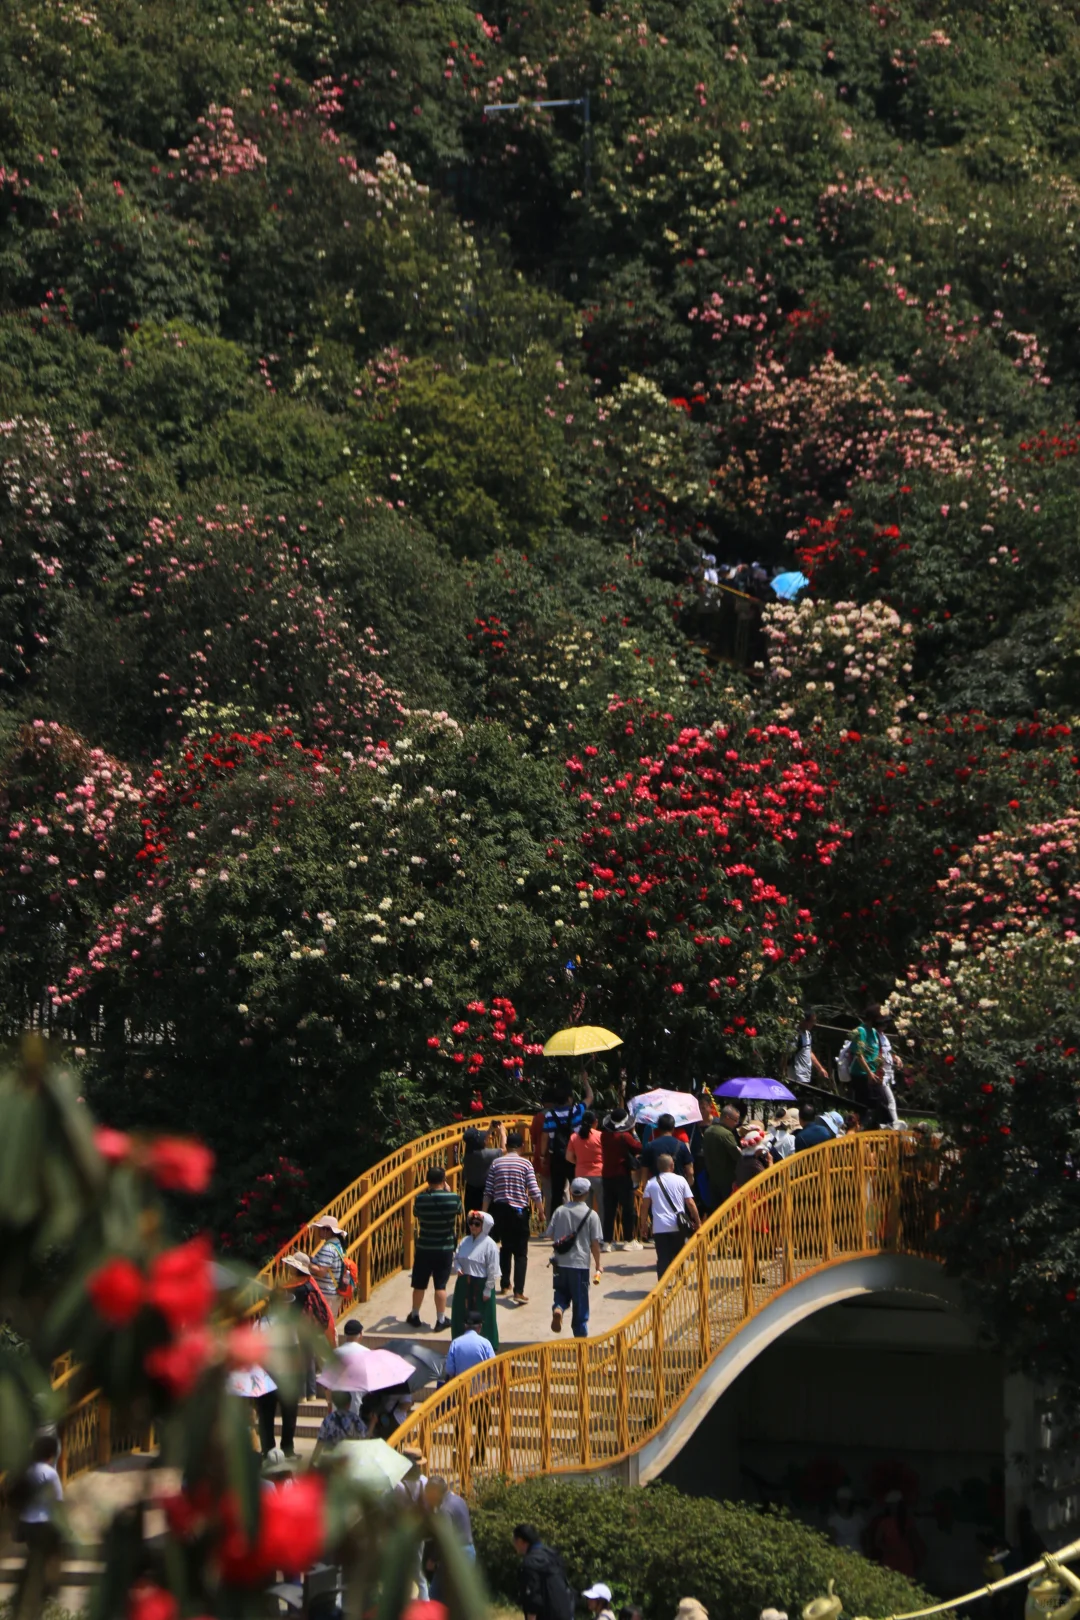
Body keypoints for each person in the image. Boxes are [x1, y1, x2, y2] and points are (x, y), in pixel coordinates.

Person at [484, 1131, 544, 1303]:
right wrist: (540, 1210)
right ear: (521, 1147)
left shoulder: (496, 1163)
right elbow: (533, 1189)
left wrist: (483, 1213)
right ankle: (518, 1291)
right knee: (520, 1253)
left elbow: (488, 1191)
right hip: (519, 1212)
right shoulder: (525, 1163)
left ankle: (504, 1284)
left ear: (507, 1146)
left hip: (500, 1211)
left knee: (505, 1247)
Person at [407, 1165, 462, 1332]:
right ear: (444, 1180)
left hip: (424, 1247)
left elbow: (416, 1213)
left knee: (419, 1284)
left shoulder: (421, 1199)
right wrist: (448, 1191)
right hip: (444, 1248)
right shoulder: (453, 1198)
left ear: (427, 1181)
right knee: (440, 1285)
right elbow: (458, 1211)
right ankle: (440, 1319)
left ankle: (415, 1315)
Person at [548, 1177, 603, 1337]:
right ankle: (580, 1336)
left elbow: (550, 1234)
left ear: (571, 1192)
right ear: (587, 1193)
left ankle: (558, 1307)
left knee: (560, 1290)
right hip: (579, 1264)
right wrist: (598, 1264)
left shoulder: (559, 1211)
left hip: (560, 1262)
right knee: (580, 1301)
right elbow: (594, 1244)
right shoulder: (591, 1215)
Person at [16, 1431, 64, 1594]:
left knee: (34, 1555)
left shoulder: (27, 1471)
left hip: (28, 1522)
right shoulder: (50, 1473)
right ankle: (46, 1590)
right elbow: (58, 1500)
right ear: (52, 1455)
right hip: (44, 1522)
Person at [641, 1153, 701, 1277]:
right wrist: (698, 1221)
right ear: (672, 1165)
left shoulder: (651, 1183)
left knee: (663, 1258)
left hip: (659, 1226)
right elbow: (690, 1203)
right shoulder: (681, 1180)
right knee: (679, 1254)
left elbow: (645, 1206)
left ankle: (662, 1289)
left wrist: (644, 1226)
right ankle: (680, 1280)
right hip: (678, 1225)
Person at [543, 1076, 594, 1213]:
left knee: (557, 1193)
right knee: (578, 1190)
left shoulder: (549, 1115)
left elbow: (545, 1138)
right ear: (570, 1099)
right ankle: (580, 1218)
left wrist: (543, 1156)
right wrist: (585, 1081)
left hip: (557, 1157)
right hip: (574, 1157)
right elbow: (590, 1097)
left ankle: (555, 1224)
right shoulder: (577, 1110)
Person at [450, 1209, 500, 1347]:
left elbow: (492, 1269)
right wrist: (458, 1268)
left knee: (484, 1316)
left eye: (477, 1224)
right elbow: (457, 1257)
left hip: (481, 1283)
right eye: (471, 1223)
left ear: (483, 1226)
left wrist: (488, 1289)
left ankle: (488, 1345)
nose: (473, 1226)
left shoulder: (490, 1244)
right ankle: (458, 1343)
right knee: (460, 1314)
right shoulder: (465, 1241)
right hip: (464, 1282)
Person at [424, 1476, 476, 1598]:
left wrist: (433, 1559)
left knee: (435, 1595)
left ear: (435, 1492)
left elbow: (445, 1540)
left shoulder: (444, 1509)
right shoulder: (459, 1500)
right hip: (469, 1551)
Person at [514, 1523, 575, 1620]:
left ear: (520, 1541)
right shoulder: (553, 1555)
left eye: (515, 1541)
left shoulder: (530, 1562)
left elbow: (533, 1599)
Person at [600, 1107, 642, 1249]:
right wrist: (634, 1132)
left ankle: (607, 1242)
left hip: (607, 1175)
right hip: (622, 1176)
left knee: (609, 1209)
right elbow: (638, 1147)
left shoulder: (604, 1136)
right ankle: (628, 1240)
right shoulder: (625, 1137)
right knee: (627, 1209)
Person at [869, 1490, 924, 1577]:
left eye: (894, 1504)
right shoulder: (884, 1522)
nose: (892, 1507)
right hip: (890, 1560)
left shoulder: (907, 1521)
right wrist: (887, 1550)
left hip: (905, 1559)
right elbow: (877, 1541)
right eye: (890, 1505)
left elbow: (914, 1540)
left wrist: (919, 1557)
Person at [565, 1109, 604, 1211]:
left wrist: (578, 1162)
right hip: (599, 1174)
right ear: (595, 1122)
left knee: (584, 1208)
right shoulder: (600, 1136)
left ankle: (585, 1227)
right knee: (602, 1207)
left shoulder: (574, 1137)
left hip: (581, 1174)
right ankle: (600, 1227)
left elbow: (568, 1157)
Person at [702, 1104, 741, 1206]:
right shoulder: (726, 1134)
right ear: (727, 1118)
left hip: (712, 1178)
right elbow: (737, 1156)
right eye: (735, 1120)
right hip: (727, 1179)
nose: (736, 1123)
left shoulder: (708, 1130)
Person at [312, 1388, 367, 1460]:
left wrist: (312, 1463)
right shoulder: (356, 1420)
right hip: (349, 1460)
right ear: (349, 1404)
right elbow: (364, 1438)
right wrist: (373, 1423)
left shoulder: (328, 1420)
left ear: (334, 1403)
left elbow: (320, 1442)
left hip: (330, 1461)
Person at [639, 1114, 694, 1184]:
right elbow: (690, 1172)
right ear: (673, 1128)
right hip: (678, 1186)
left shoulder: (649, 1146)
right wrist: (687, 1186)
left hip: (657, 1187)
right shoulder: (681, 1146)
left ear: (658, 1128)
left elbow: (644, 1174)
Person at [443, 1309, 496, 1380]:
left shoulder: (455, 1343)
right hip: (481, 1389)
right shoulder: (485, 1343)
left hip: (461, 1389)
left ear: (465, 1326)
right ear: (480, 1327)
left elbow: (450, 1370)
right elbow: (492, 1367)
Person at [462, 1125, 504, 1213]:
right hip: (485, 1192)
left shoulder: (468, 1154)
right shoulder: (485, 1155)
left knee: (472, 1219)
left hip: (470, 1191)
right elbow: (505, 1149)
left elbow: (482, 1142)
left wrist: (490, 1130)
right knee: (485, 1219)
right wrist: (503, 1133)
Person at [309, 1213, 348, 1303]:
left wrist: (306, 1262)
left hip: (326, 1293)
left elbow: (321, 1272)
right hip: (333, 1292)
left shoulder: (328, 1248)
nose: (318, 1231)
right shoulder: (337, 1244)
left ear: (327, 1230)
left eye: (320, 1228)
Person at [873, 1010, 902, 1129]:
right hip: (881, 1073)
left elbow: (887, 1052)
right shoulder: (875, 1036)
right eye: (883, 1024)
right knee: (889, 1099)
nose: (885, 1026)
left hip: (888, 1073)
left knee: (887, 1099)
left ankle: (891, 1122)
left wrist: (896, 1058)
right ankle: (894, 1122)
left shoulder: (884, 1036)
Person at [791, 1009, 830, 1087]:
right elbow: (786, 1054)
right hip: (796, 1076)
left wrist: (820, 1068)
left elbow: (809, 1052)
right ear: (804, 1021)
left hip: (806, 1076)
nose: (813, 1024)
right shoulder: (795, 1035)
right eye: (812, 1021)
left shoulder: (808, 1034)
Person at [827, 1485, 866, 1552]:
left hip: (858, 1554)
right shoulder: (833, 1520)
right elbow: (832, 1540)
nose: (844, 1503)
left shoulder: (858, 1518)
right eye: (842, 1500)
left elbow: (864, 1538)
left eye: (846, 1500)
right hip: (841, 1555)